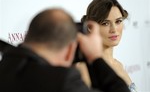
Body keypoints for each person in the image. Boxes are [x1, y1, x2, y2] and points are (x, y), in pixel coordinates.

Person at [0, 8, 130, 92]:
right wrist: (95, 58)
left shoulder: (5, 67)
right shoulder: (63, 81)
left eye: (119, 21)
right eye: (106, 23)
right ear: (70, 50)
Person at [80, 0, 137, 92]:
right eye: (105, 23)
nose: (114, 29)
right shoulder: (84, 69)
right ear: (90, 27)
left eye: (118, 21)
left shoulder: (119, 65)